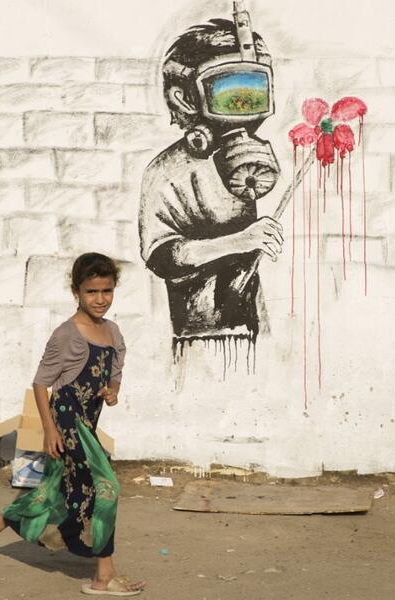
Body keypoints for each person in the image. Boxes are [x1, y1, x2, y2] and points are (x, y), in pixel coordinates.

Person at [0, 252, 145, 596]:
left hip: (86, 424)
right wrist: (49, 429)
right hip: (66, 420)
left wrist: (112, 391)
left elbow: (115, 373)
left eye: (107, 291)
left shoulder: (113, 332)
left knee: (55, 491)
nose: (100, 299)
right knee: (107, 488)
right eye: (92, 292)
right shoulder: (66, 335)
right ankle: (104, 575)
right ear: (76, 291)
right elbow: (41, 382)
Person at [138, 11, 284, 358]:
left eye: (254, 92)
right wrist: (239, 241)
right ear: (185, 98)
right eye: (229, 92)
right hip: (199, 340)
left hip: (250, 329)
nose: (243, 109)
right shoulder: (166, 170)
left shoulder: (241, 167)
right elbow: (162, 257)